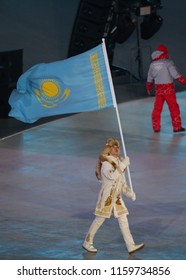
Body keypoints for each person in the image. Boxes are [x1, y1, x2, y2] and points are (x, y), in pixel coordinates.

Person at [82, 138, 144, 254]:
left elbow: (122, 183)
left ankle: (130, 245)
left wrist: (129, 193)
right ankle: (87, 242)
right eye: (114, 146)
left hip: (117, 198)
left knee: (123, 220)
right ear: (108, 149)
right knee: (99, 220)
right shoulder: (106, 163)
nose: (117, 149)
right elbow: (112, 176)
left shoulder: (119, 162)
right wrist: (123, 165)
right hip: (106, 198)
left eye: (118, 147)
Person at [146, 44, 186, 132]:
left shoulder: (152, 64)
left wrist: (148, 87)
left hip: (159, 90)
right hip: (168, 89)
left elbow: (149, 77)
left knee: (157, 108)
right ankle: (177, 127)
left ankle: (156, 127)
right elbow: (176, 75)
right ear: (164, 53)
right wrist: (184, 81)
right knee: (173, 107)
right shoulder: (168, 62)